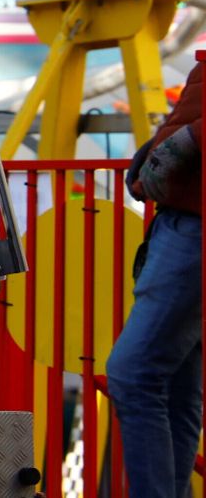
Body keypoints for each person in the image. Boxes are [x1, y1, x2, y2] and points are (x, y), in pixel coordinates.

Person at [107, 59, 202, 498]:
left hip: (193, 227)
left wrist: (182, 142)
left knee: (133, 373)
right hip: (185, 219)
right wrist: (164, 144)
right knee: (177, 387)